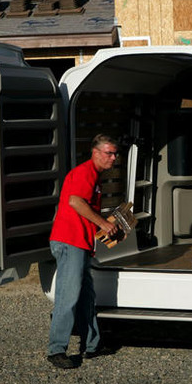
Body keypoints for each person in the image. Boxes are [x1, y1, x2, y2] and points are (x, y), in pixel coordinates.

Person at [47, 133, 119, 369]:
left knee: (86, 296)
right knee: (68, 297)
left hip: (80, 243)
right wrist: (103, 223)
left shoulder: (94, 176)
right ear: (95, 153)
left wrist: (104, 224)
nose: (113, 157)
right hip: (70, 242)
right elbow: (75, 202)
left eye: (115, 153)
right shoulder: (85, 172)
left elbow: (84, 206)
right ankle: (56, 349)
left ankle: (92, 345)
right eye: (109, 153)